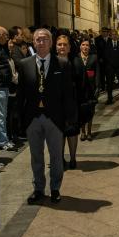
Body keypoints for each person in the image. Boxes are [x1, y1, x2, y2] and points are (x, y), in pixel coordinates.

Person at [17, 29, 77, 204]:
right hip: (33, 118)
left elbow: (68, 94)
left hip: (54, 118)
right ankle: (38, 188)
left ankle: (55, 188)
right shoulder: (25, 64)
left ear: (51, 43)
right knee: (36, 156)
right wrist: (21, 118)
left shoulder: (62, 64)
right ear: (33, 43)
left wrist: (69, 118)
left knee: (56, 156)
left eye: (44, 39)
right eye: (37, 40)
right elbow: (21, 94)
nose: (41, 42)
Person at [56, 35, 80, 169]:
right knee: (59, 133)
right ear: (55, 47)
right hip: (56, 105)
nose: (62, 47)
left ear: (69, 47)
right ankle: (60, 158)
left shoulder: (75, 62)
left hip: (72, 103)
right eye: (59, 44)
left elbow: (81, 83)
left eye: (65, 44)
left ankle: (73, 159)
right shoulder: (50, 62)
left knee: (72, 131)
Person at [75, 39, 100, 140]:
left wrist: (98, 86)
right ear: (80, 46)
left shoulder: (94, 58)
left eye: (87, 45)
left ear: (90, 47)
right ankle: (83, 132)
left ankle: (89, 132)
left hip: (91, 88)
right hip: (80, 89)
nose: (85, 47)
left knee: (90, 111)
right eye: (83, 45)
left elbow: (97, 73)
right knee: (81, 111)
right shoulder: (75, 58)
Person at [104, 29, 119, 105]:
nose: (114, 36)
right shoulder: (107, 44)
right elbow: (106, 55)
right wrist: (111, 64)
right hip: (110, 67)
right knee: (110, 84)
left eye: (115, 34)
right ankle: (109, 99)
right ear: (110, 36)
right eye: (113, 34)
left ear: (117, 35)